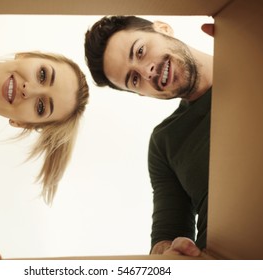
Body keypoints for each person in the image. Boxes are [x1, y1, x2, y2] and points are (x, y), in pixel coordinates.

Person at [0, 18, 89, 259]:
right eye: (42, 74)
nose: (30, 90)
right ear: (25, 55)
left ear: (22, 123)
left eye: (41, 107)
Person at [84, 16, 214, 257]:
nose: (147, 71)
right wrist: (166, 250)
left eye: (140, 51)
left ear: (163, 29)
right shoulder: (164, 142)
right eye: (134, 80)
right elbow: (167, 234)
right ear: (140, 94)